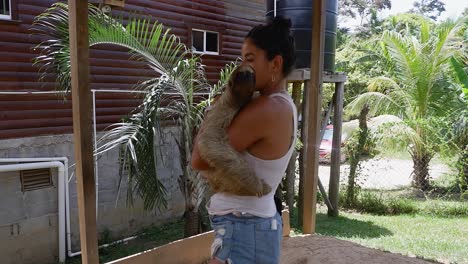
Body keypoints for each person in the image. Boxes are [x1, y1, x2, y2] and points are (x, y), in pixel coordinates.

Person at [191, 16, 297, 264]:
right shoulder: (283, 105)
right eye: (242, 60)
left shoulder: (267, 108)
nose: (243, 67)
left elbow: (200, 158)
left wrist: (221, 105)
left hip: (243, 226)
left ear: (275, 63)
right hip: (254, 223)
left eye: (250, 59)